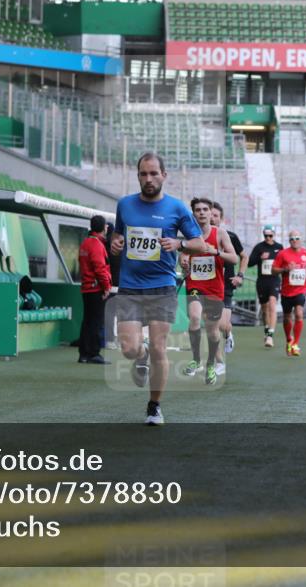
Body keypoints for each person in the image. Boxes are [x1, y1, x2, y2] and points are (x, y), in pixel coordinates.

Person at [111, 152, 206, 425]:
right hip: (130, 287)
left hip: (162, 287)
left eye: (154, 173)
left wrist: (179, 244)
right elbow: (118, 235)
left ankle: (154, 406)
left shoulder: (177, 208)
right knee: (129, 347)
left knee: (159, 347)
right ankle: (139, 359)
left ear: (164, 175)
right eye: (143, 174)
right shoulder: (125, 205)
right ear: (138, 176)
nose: (149, 178)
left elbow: (198, 243)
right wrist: (114, 244)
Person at [179, 198, 238, 385]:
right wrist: (184, 260)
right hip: (195, 285)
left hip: (215, 288)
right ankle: (196, 360)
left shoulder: (220, 233)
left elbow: (234, 258)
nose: (202, 213)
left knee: (213, 331)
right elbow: (184, 253)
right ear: (193, 213)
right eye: (198, 210)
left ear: (211, 212)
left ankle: (211, 364)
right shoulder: (189, 233)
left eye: (205, 209)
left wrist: (216, 253)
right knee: (195, 317)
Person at [210, 202, 244, 376]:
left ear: (221, 218)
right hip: (207, 286)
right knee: (211, 326)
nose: (212, 217)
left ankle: (228, 333)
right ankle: (219, 362)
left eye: (216, 215)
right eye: (210, 214)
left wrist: (240, 275)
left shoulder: (230, 236)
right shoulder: (198, 236)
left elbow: (243, 256)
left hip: (225, 286)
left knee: (222, 325)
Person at [271, 231, 306, 357]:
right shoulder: (282, 254)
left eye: (297, 238)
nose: (294, 240)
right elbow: (273, 270)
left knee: (299, 314)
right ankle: (289, 340)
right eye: (292, 239)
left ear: (301, 239)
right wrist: (285, 269)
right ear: (289, 241)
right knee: (287, 317)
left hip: (300, 290)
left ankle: (295, 343)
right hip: (286, 291)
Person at [78, 215, 111, 364]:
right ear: (103, 227)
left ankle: (84, 354)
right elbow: (100, 269)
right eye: (106, 226)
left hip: (86, 288)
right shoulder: (97, 245)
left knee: (87, 321)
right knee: (97, 322)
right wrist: (106, 287)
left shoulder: (85, 243)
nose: (107, 228)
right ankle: (94, 353)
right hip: (96, 288)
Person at [246, 225, 284, 348]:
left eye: (270, 235)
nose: (268, 238)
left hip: (274, 280)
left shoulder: (279, 248)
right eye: (265, 235)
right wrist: (259, 257)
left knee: (272, 305)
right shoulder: (259, 247)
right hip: (262, 281)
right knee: (264, 308)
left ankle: (270, 336)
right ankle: (267, 328)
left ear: (274, 235)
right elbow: (250, 263)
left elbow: (283, 264)